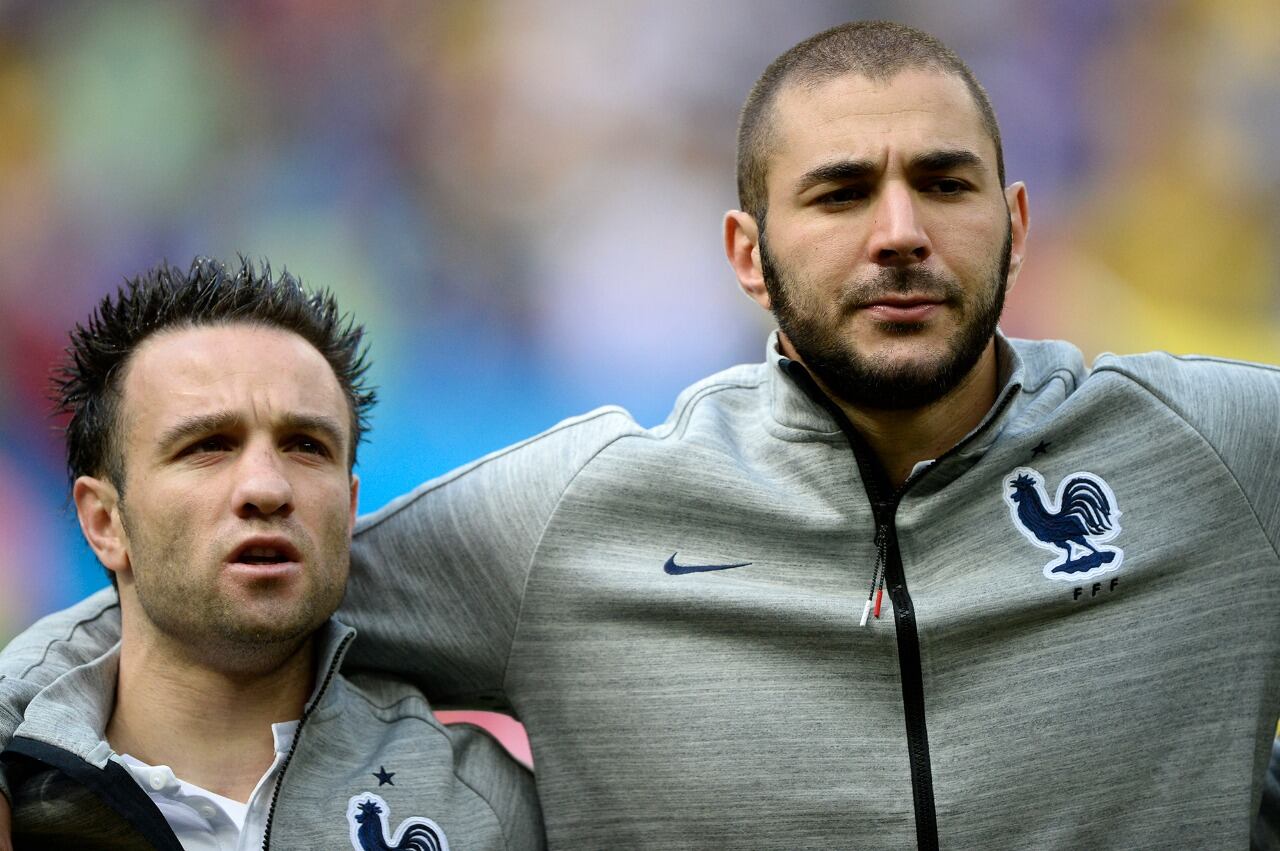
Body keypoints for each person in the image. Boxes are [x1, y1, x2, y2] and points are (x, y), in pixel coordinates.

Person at [2, 20, 1278, 850]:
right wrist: (35, 756)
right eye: (837, 192)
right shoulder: (580, 515)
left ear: (1012, 221)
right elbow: (212, 580)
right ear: (746, 253)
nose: (897, 230)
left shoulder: (1212, 449)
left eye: (940, 183)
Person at [0, 259, 543, 849]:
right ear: (105, 521)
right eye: (208, 445)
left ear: (350, 505)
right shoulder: (21, 805)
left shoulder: (482, 804)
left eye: (306, 446)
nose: (267, 488)